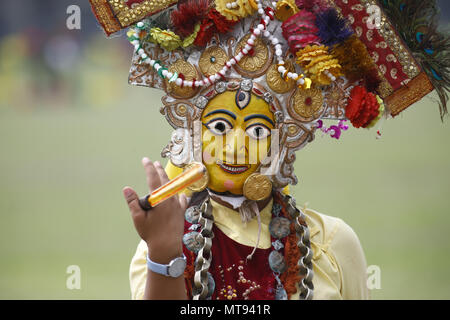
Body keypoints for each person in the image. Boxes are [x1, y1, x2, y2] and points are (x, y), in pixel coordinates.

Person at [88, 0, 449, 299]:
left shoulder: (334, 243)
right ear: (193, 133)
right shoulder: (164, 244)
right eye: (218, 127)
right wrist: (164, 253)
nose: (235, 147)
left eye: (258, 130)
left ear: (284, 139)